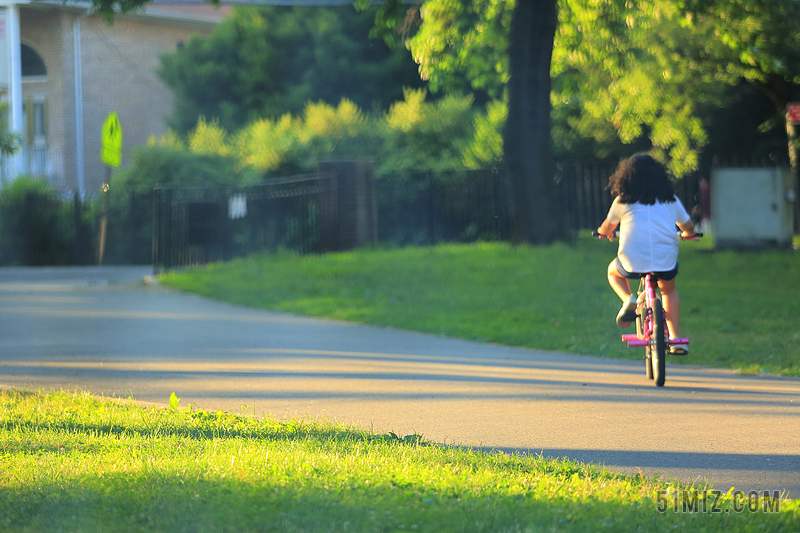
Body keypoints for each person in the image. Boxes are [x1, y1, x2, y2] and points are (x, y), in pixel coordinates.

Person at [596, 153, 696, 355]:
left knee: (612, 272)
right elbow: (689, 227)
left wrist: (603, 232)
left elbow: (607, 227)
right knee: (668, 291)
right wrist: (687, 234)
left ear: (626, 178)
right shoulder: (670, 200)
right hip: (664, 260)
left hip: (632, 261)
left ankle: (628, 299)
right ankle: (675, 338)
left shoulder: (622, 201)